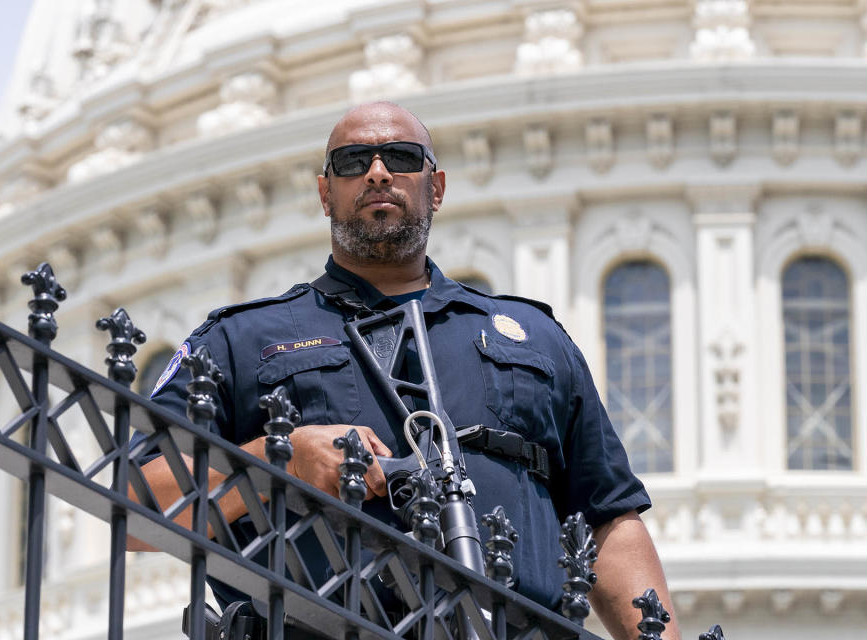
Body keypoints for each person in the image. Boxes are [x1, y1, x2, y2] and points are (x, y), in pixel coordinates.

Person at [131, 101, 679, 640]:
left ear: (435, 187)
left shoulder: (533, 334)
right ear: (326, 194)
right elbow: (133, 499)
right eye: (351, 163)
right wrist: (281, 463)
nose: (376, 172)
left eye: (400, 157)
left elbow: (608, 520)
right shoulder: (242, 339)